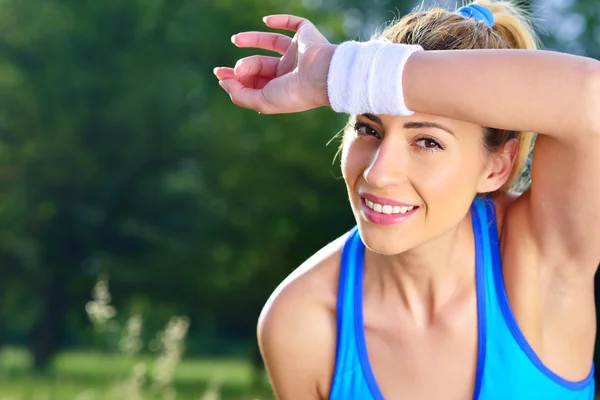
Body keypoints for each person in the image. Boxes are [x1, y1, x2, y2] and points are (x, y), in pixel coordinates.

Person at [213, 0, 600, 398]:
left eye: (427, 141)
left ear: (496, 168)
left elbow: (592, 98)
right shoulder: (303, 323)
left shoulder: (541, 259)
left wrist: (332, 71)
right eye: (368, 128)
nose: (378, 173)